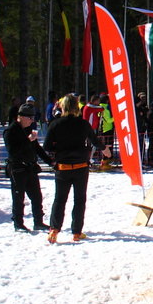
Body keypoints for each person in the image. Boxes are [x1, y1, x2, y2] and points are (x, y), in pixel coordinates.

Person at [43, 94, 111, 243]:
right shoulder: (83, 124)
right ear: (77, 107)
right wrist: (105, 149)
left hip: (63, 167)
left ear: (62, 107)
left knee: (59, 199)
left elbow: (47, 146)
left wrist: (59, 149)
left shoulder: (55, 124)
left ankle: (54, 230)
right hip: (81, 166)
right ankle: (76, 232)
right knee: (79, 200)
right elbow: (94, 140)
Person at [3, 103, 53, 231]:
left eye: (33, 118)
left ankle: (38, 222)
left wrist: (50, 162)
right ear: (20, 117)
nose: (32, 120)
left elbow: (37, 149)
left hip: (30, 167)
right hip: (17, 168)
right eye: (30, 118)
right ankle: (18, 223)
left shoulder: (29, 130)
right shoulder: (10, 131)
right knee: (18, 197)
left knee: (37, 197)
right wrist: (28, 140)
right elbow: (13, 152)